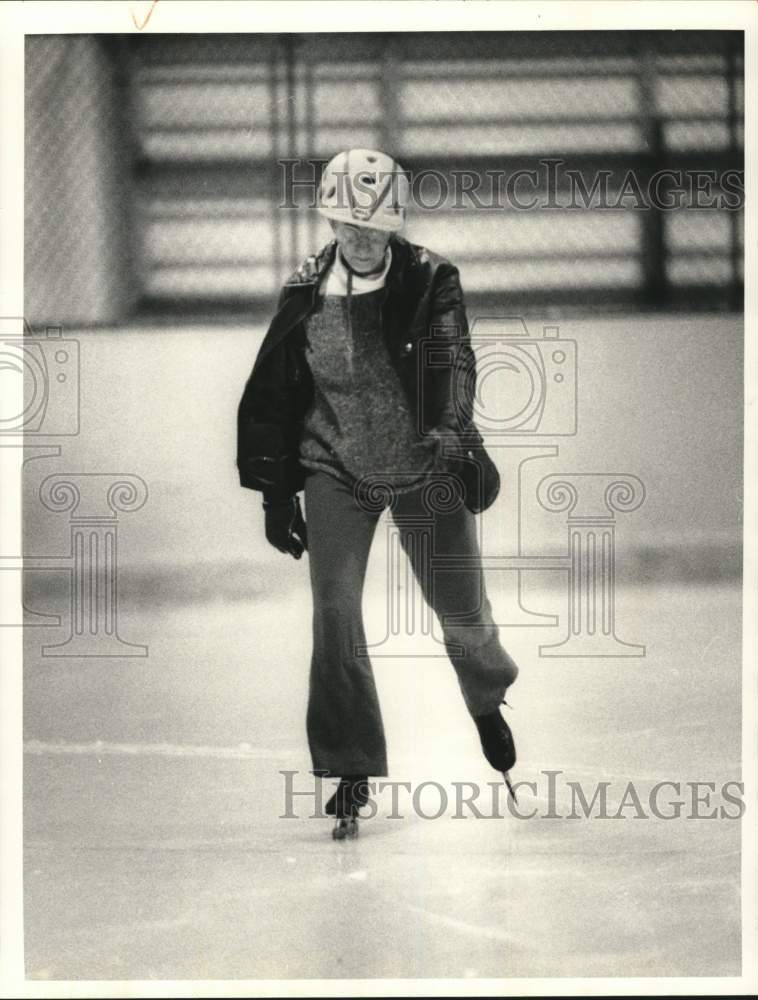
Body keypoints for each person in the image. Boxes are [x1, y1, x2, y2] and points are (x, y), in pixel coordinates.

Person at [237, 149, 520, 839]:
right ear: (330, 220)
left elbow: (454, 359)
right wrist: (278, 494)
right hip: (334, 470)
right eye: (347, 224)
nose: (361, 238)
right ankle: (351, 762)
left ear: (395, 225)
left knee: (463, 616)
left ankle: (486, 698)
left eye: (375, 226)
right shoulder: (304, 291)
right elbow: (273, 395)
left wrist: (453, 429)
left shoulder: (429, 279)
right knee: (334, 611)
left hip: (423, 466)